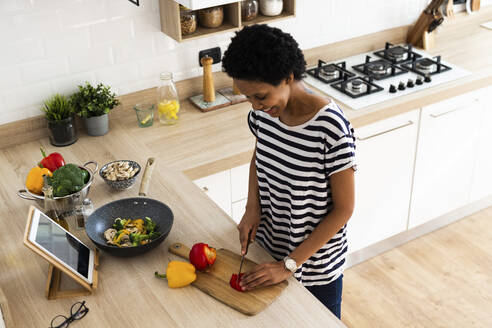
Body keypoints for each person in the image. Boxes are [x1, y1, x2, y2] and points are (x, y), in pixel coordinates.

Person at [221, 24, 356, 319]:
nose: (255, 107)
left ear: (288, 77)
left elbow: (344, 210)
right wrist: (251, 208)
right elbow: (260, 159)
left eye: (260, 96)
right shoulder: (266, 115)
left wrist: (289, 265)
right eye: (248, 99)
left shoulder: (331, 128)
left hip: (314, 268)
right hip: (269, 252)